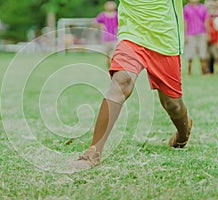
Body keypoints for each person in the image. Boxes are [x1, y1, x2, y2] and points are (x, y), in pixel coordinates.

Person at [71, 0, 192, 169]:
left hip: (165, 41)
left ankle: (183, 132)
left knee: (172, 104)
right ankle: (93, 152)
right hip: (132, 36)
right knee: (121, 82)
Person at [184, 0, 210, 76]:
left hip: (202, 33)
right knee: (189, 54)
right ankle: (189, 73)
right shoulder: (186, 8)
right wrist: (185, 35)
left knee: (203, 54)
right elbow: (185, 22)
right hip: (190, 33)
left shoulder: (203, 8)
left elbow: (206, 21)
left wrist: (208, 34)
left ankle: (204, 72)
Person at [94, 1, 118, 66]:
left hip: (115, 37)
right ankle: (108, 62)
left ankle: (114, 64)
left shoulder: (117, 15)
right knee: (107, 52)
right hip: (106, 38)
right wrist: (100, 25)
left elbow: (121, 23)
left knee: (115, 52)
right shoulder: (102, 15)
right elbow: (95, 22)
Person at [207, 7, 218, 74]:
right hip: (208, 43)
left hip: (215, 42)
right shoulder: (207, 22)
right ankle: (210, 71)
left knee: (217, 57)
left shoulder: (217, 22)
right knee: (209, 58)